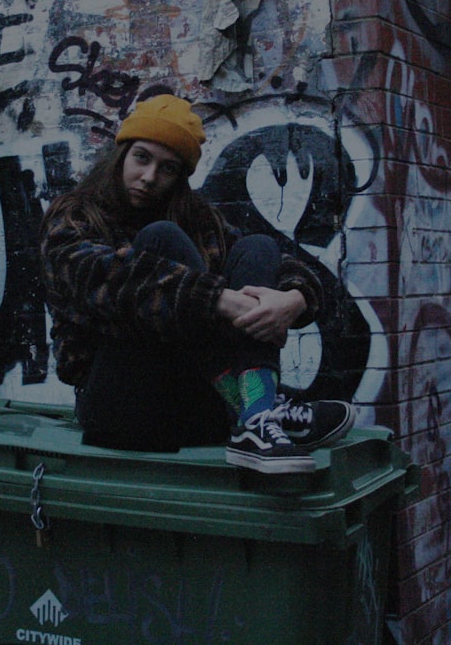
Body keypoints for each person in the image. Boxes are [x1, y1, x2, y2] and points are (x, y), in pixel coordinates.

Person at [41, 94, 356, 473]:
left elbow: (281, 262)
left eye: (168, 168)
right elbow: (102, 277)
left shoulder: (200, 219)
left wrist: (294, 299)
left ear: (179, 177)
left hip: (197, 406)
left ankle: (257, 418)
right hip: (121, 404)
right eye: (142, 157)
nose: (149, 177)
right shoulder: (74, 215)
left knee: (258, 246)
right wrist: (216, 299)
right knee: (162, 239)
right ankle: (261, 410)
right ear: (121, 154)